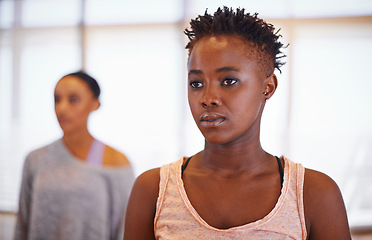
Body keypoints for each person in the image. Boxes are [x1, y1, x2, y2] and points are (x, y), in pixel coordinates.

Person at [124, 6, 351, 240]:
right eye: (196, 83)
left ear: (268, 87)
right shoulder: (153, 190)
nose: (208, 99)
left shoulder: (313, 194)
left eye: (228, 80)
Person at [14, 71, 135, 240]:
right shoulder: (35, 159)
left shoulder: (115, 162)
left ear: (95, 104)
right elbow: (22, 225)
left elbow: (123, 229)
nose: (62, 108)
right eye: (57, 100)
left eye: (73, 100)